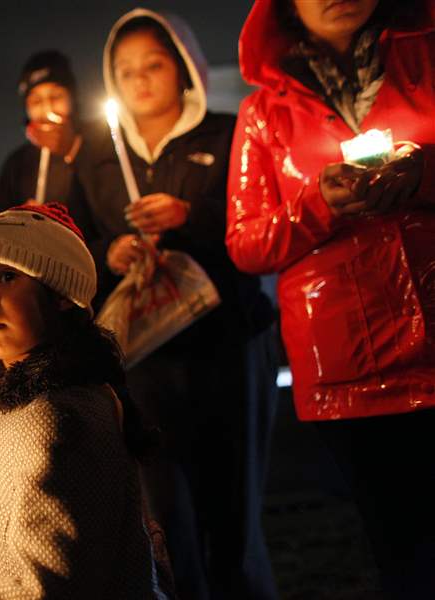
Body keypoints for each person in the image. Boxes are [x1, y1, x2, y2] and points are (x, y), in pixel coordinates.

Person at [226, 1, 435, 597]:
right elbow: (246, 243)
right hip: (350, 367)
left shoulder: (429, 56)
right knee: (403, 555)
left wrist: (422, 177)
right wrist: (317, 205)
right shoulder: (263, 113)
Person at [70, 9, 279, 599]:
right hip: (145, 358)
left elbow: (259, 220)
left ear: (184, 68)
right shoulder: (98, 156)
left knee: (233, 508)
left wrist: (192, 216)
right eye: (125, 70)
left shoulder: (227, 133)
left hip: (228, 346)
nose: (139, 80)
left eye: (153, 65)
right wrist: (111, 252)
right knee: (165, 511)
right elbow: (76, 237)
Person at [0, 203, 166, 599]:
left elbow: (47, 580)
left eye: (8, 276)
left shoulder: (46, 416)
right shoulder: (72, 388)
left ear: (62, 294)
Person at [0, 51, 84, 217]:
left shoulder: (99, 147)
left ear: (73, 98)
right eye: (36, 101)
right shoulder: (16, 164)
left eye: (56, 96)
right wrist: (18, 220)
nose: (47, 109)